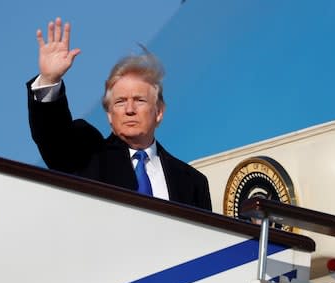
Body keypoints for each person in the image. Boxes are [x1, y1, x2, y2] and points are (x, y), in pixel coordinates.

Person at [27, 17, 212, 211]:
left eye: (139, 100)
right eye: (120, 101)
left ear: (159, 112)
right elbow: (53, 138)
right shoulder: (87, 155)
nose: (129, 109)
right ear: (109, 114)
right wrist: (49, 79)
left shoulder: (192, 182)